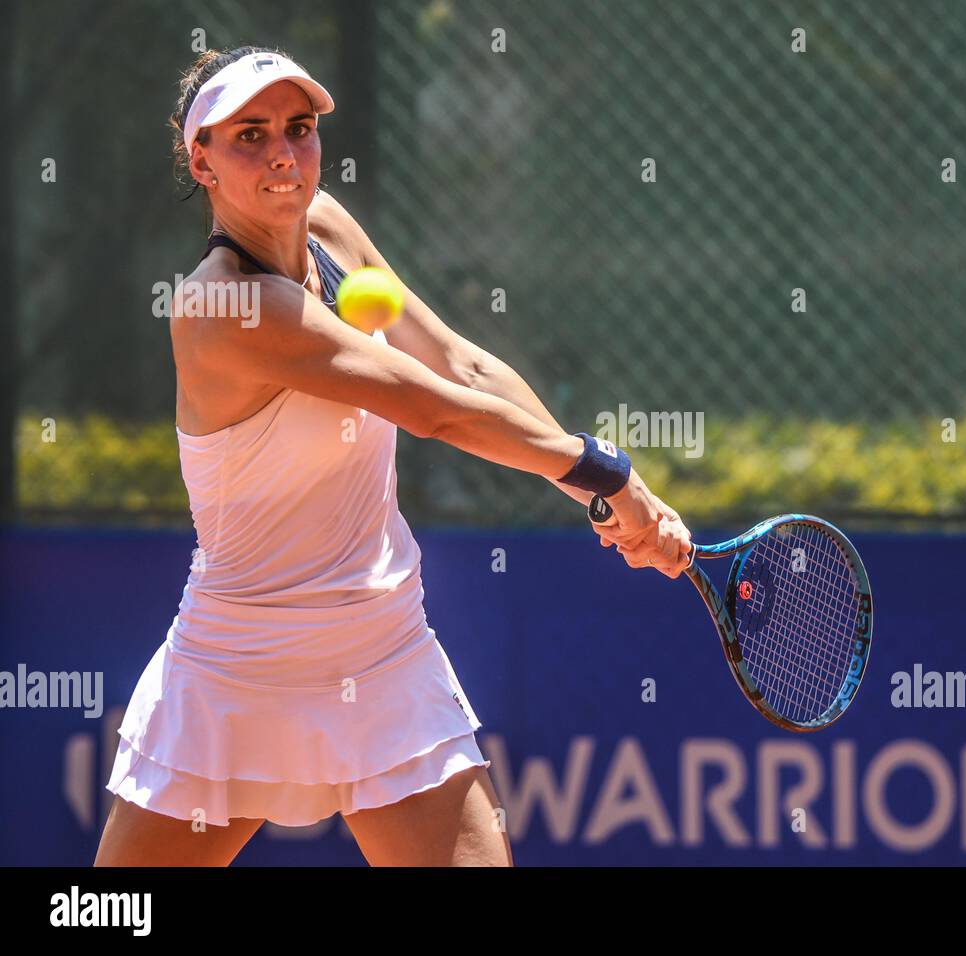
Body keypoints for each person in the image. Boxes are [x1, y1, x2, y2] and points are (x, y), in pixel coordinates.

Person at [93, 45, 691, 867]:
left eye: (298, 130)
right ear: (202, 160)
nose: (282, 155)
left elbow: (463, 365)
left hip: (383, 652)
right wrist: (608, 475)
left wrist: (602, 493)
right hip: (240, 666)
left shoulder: (330, 227)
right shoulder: (220, 304)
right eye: (250, 135)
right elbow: (429, 407)